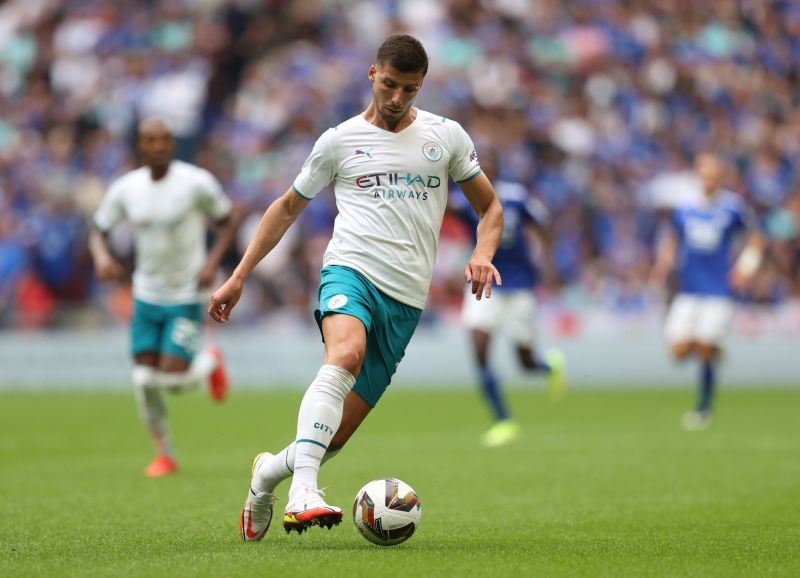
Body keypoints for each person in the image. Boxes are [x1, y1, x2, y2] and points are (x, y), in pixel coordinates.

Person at [208, 34, 503, 540]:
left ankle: (265, 477)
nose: (396, 99)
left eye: (408, 90)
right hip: (350, 270)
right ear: (372, 74)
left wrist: (481, 254)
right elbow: (285, 208)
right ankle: (304, 492)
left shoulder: (446, 137)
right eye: (389, 85)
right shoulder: (338, 140)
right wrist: (238, 275)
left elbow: (490, 209)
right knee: (344, 354)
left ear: (421, 86)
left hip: (406, 298)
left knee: (335, 436)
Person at [90, 118, 240, 477]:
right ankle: (165, 454)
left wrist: (212, 263)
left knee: (171, 381)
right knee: (143, 380)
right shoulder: (127, 189)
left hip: (187, 294)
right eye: (150, 140)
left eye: (164, 140)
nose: (158, 146)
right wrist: (102, 257)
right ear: (140, 146)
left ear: (172, 144)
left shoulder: (195, 183)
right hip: (146, 295)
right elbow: (98, 230)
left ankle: (208, 361)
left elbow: (229, 219)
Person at [451, 152, 566, 447]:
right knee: (479, 350)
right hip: (482, 280)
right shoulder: (466, 197)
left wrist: (549, 266)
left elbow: (544, 224)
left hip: (519, 286)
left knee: (524, 362)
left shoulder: (517, 196)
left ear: (497, 169)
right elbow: (444, 210)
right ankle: (503, 420)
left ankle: (549, 366)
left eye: (488, 166)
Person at [650, 152, 765, 430]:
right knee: (677, 351)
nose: (709, 178)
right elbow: (671, 241)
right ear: (698, 174)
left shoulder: (733, 208)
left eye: (714, 173)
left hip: (718, 290)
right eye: (705, 173)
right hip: (689, 289)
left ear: (721, 175)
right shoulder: (685, 208)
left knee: (703, 348)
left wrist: (744, 268)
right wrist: (662, 267)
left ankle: (703, 407)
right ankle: (714, 347)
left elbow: (756, 240)